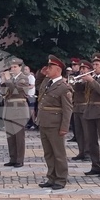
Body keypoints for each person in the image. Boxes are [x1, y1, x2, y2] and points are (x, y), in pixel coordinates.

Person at [36, 55, 74, 190]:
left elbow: (68, 109)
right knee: (48, 153)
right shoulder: (47, 82)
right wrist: (41, 74)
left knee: (59, 153)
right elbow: (38, 87)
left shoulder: (64, 87)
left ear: (58, 69)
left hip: (55, 124)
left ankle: (61, 179)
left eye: (50, 67)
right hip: (44, 122)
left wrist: (65, 127)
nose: (48, 69)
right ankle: (51, 177)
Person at [1, 58, 29, 167]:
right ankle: (12, 158)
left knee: (19, 136)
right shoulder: (11, 79)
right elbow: (4, 91)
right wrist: (3, 80)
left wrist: (8, 79)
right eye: (11, 67)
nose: (13, 69)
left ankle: (19, 160)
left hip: (19, 110)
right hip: (8, 109)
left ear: (20, 67)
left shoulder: (24, 78)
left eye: (15, 67)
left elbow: (15, 90)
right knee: (10, 137)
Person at [70, 59, 90, 161]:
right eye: (81, 68)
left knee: (86, 132)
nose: (82, 70)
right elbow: (74, 89)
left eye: (84, 68)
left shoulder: (90, 79)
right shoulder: (78, 79)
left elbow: (86, 90)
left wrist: (85, 80)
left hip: (85, 107)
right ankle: (81, 151)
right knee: (79, 132)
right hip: (76, 107)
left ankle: (88, 153)